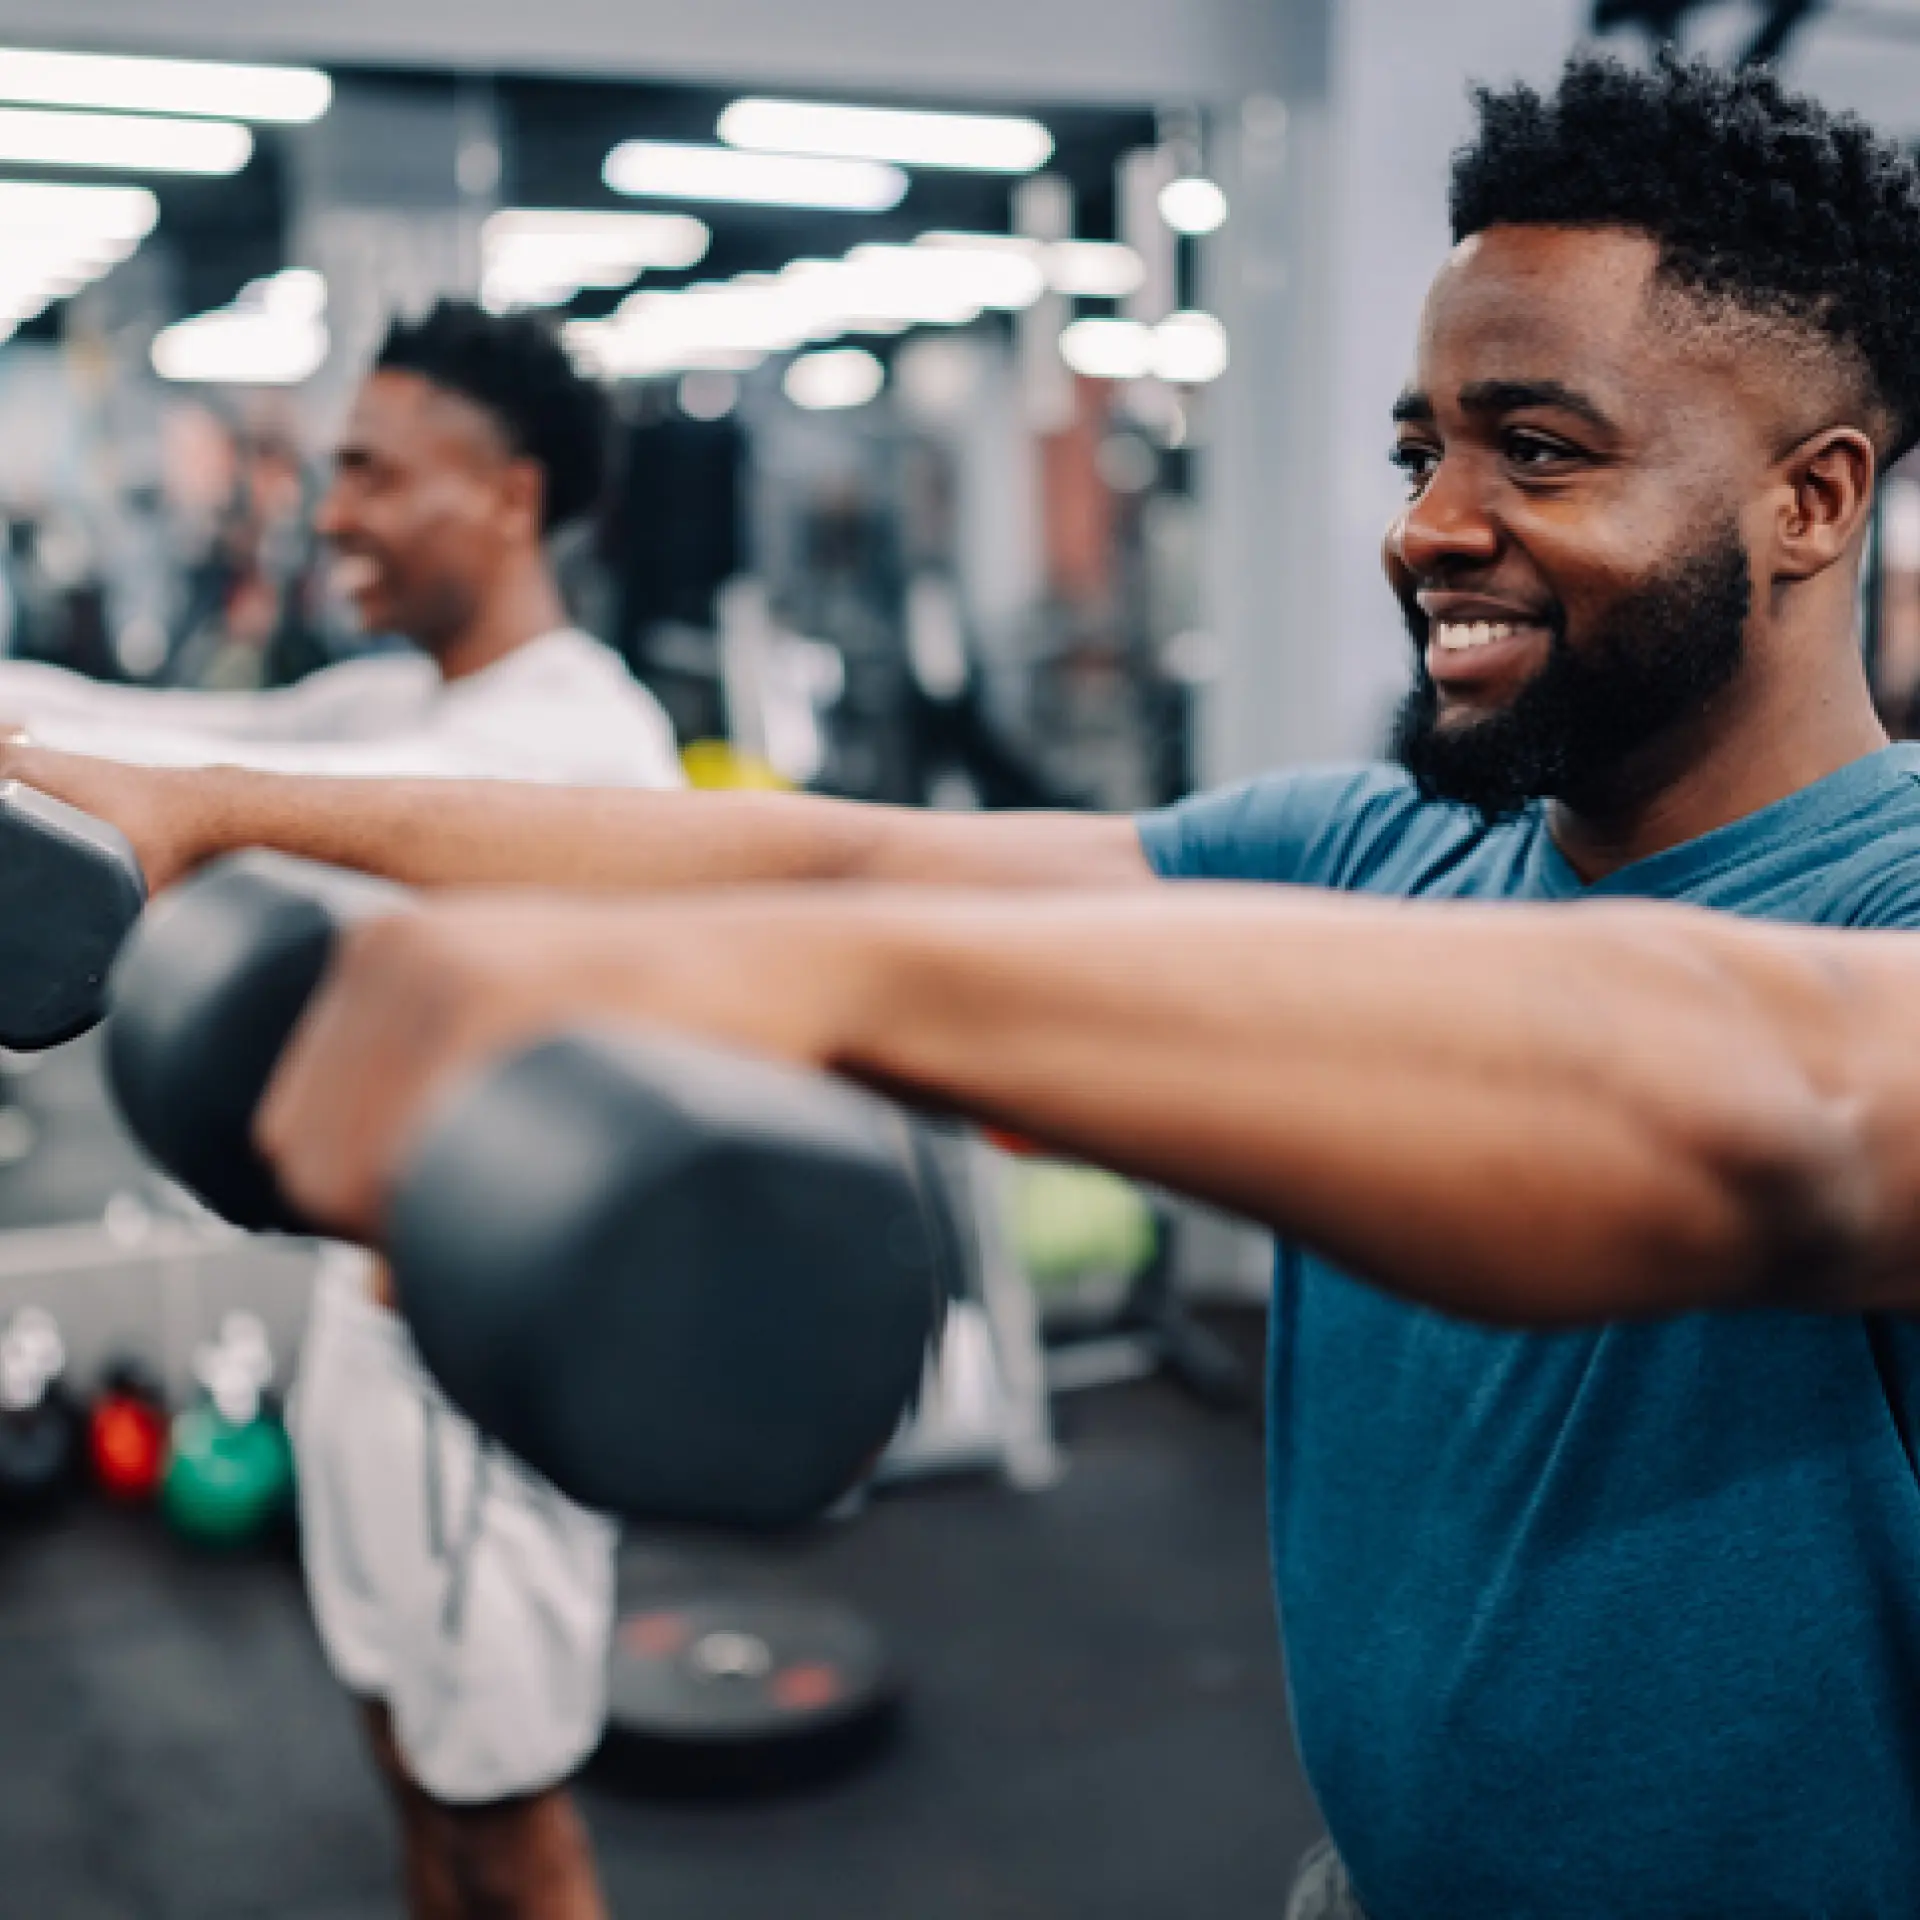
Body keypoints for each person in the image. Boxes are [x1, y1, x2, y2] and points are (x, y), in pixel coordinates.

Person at [9, 53, 1920, 1918]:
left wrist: (787, 990)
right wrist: (194, 809)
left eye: (1541, 449)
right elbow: (839, 851)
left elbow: (1780, 1120)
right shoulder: (1388, 854)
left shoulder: (1888, 917)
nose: (1427, 525)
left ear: (1815, 501)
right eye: (1422, 450)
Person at [0, 299, 683, 1920]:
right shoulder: (406, 707)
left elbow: (256, 796)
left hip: (474, 1369)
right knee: (409, 1763)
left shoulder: (580, 743)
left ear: (510, 495)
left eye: (373, 474)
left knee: (511, 1830)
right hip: (366, 1327)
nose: (333, 511)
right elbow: (171, 733)